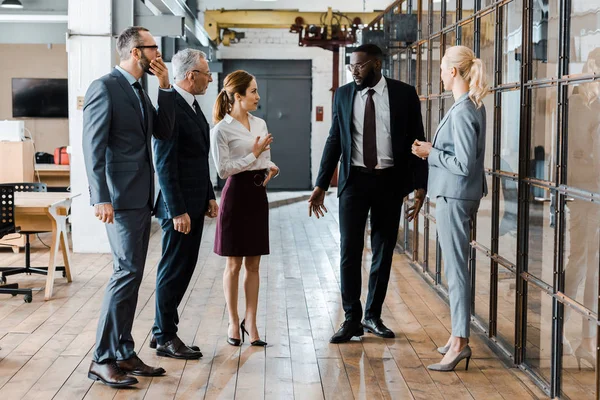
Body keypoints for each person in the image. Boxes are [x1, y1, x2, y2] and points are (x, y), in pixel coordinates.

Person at [309, 44, 428, 344]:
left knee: (383, 251)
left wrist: (420, 185)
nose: (354, 71)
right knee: (349, 250)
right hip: (354, 183)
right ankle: (352, 318)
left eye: (359, 65)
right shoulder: (344, 95)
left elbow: (418, 139)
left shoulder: (404, 94)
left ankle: (372, 314)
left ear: (376, 63)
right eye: (351, 66)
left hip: (390, 182)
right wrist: (321, 184)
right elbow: (334, 139)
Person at [83, 26, 176, 387]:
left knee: (134, 275)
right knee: (124, 273)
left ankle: (123, 350)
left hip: (140, 197)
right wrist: (100, 195)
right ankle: (101, 359)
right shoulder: (105, 87)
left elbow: (164, 131)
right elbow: (93, 147)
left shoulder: (140, 90)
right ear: (137, 52)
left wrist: (166, 87)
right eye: (155, 48)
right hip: (118, 199)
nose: (159, 54)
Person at [411, 45, 488, 372]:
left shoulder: (463, 110)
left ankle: (459, 342)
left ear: (453, 72)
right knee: (455, 269)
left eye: (443, 68)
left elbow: (463, 164)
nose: (440, 73)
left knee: (456, 271)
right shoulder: (469, 105)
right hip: (457, 195)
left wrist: (431, 152)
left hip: (455, 196)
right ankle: (457, 336)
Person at [150, 48, 218, 360]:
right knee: (174, 269)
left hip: (193, 201)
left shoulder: (190, 105)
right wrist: (177, 209)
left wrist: (208, 195)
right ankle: (165, 336)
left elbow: (196, 158)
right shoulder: (171, 106)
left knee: (183, 268)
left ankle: (161, 331)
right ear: (191, 76)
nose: (210, 78)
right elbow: (164, 163)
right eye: (206, 73)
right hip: (178, 207)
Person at [211, 70, 279, 347]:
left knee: (254, 265)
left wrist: (269, 170)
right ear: (237, 96)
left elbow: (265, 160)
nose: (258, 96)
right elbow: (224, 170)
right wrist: (254, 153)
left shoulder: (260, 123)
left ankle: (251, 322)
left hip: (257, 194)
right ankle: (232, 321)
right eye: (253, 91)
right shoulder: (221, 129)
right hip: (236, 195)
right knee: (234, 264)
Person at [562, 47, 600, 368]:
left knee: (595, 265)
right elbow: (579, 153)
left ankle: (588, 340)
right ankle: (560, 321)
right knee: (580, 260)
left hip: (596, 192)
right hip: (584, 193)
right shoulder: (577, 103)